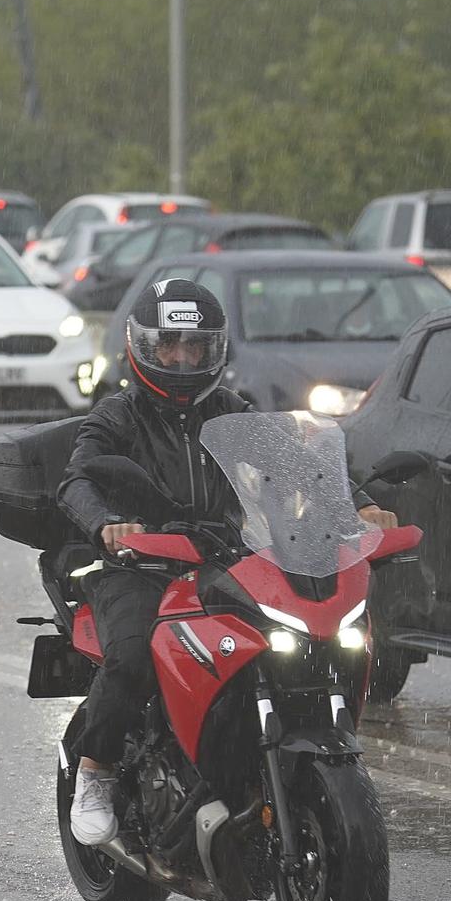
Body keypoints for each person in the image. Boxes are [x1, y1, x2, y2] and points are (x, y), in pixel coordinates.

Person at [55, 278, 396, 846]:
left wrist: (359, 506)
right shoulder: (118, 415)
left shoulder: (231, 409)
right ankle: (95, 773)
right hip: (137, 562)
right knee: (136, 654)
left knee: (285, 634)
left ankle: (241, 754)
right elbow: (78, 478)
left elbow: (300, 461)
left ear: (214, 349)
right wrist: (106, 526)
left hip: (220, 555)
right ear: (144, 347)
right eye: (170, 345)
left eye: (196, 347)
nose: (183, 358)